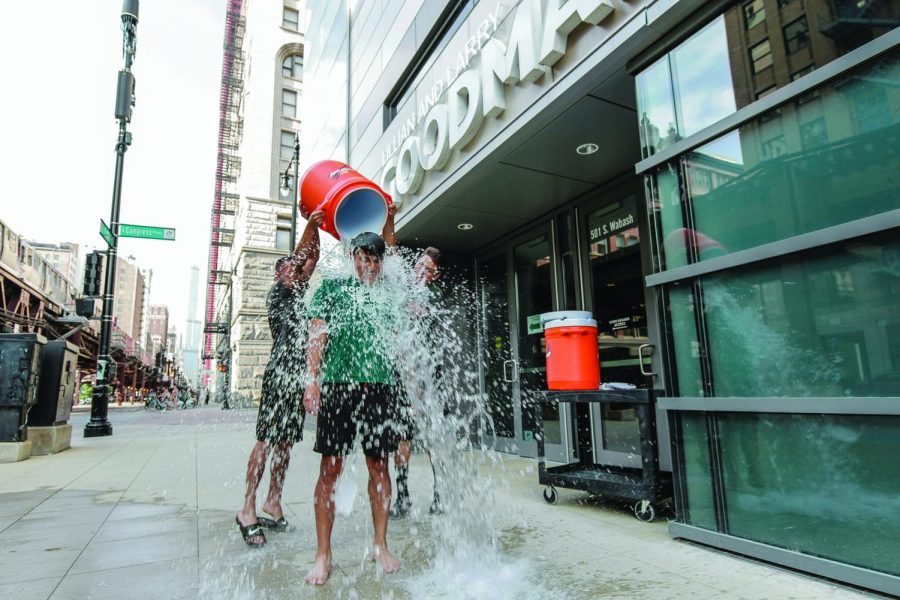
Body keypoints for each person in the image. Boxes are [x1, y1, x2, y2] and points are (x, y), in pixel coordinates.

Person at [304, 230, 402, 585]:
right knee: (330, 468)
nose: (370, 265)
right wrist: (312, 380)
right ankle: (323, 553)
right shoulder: (333, 288)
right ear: (353, 257)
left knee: (380, 466)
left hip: (379, 388)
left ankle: (380, 544)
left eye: (376, 259)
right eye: (364, 257)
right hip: (338, 386)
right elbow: (318, 333)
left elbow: (397, 345)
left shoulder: (388, 296)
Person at [235, 208, 325, 548]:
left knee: (286, 443)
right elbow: (305, 255)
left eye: (297, 268)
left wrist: (315, 231)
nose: (299, 270)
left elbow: (311, 257)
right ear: (281, 275)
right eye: (291, 268)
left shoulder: (300, 293)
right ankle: (247, 508)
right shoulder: (279, 294)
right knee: (267, 440)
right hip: (279, 375)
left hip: (297, 377)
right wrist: (311, 223)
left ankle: (273, 500)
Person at [389, 246, 447, 518]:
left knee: (435, 436)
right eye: (419, 266)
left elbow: (430, 332)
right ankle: (402, 497)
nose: (421, 272)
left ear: (434, 275)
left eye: (428, 270)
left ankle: (439, 496)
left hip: (430, 376)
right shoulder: (402, 292)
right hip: (404, 376)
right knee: (402, 437)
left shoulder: (434, 297)